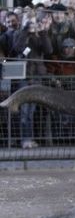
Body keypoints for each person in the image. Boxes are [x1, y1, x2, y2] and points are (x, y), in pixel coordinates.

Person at [11, 16, 52, 148]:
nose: (31, 25)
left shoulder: (39, 36)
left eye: (33, 22)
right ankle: (25, 140)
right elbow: (17, 48)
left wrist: (43, 32)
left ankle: (30, 138)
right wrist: (25, 31)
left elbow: (48, 50)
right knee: (24, 111)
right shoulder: (19, 34)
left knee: (31, 111)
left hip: (36, 77)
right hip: (23, 77)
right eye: (29, 21)